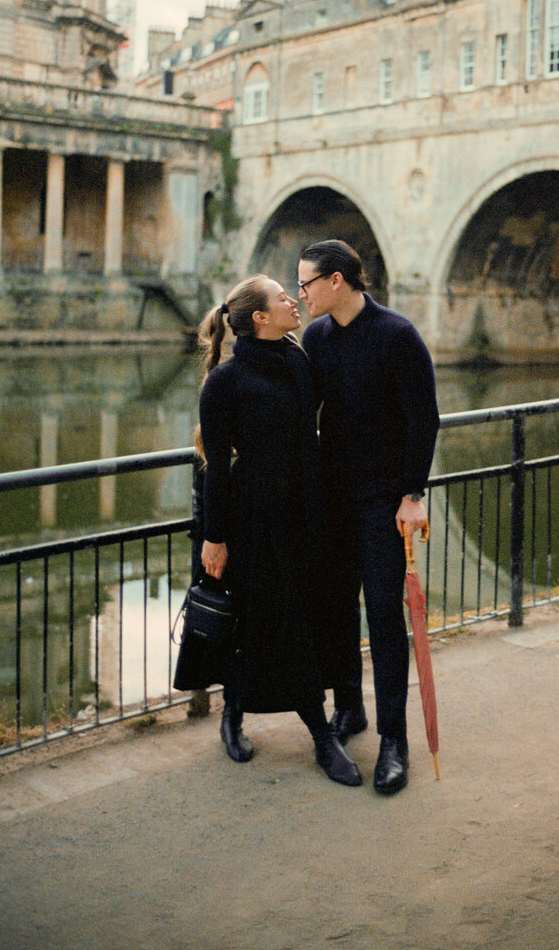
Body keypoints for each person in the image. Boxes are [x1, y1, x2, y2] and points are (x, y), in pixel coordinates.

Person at [193, 273, 361, 787]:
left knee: (304, 616)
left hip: (308, 513)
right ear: (259, 318)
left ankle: (237, 710)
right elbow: (217, 468)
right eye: (283, 297)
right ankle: (317, 735)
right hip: (255, 518)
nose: (294, 299)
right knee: (271, 619)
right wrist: (214, 538)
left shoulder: (298, 358)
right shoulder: (225, 383)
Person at [299, 240, 440, 795]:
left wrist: (412, 494)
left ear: (337, 281)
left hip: (383, 500)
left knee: (383, 616)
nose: (301, 292)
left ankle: (393, 741)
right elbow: (301, 412)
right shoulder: (314, 338)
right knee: (335, 609)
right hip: (332, 499)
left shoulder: (396, 335)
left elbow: (424, 418)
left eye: (307, 282)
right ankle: (350, 709)